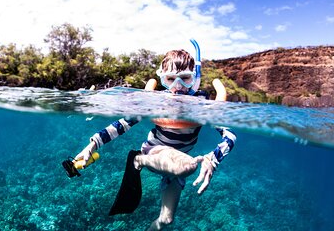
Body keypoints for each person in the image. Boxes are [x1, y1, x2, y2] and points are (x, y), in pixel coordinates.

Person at [73, 49, 237, 230]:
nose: (178, 86)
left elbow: (230, 135)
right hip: (155, 151)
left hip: (179, 161)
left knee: (166, 220)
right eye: (170, 79)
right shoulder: (158, 100)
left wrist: (213, 159)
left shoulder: (203, 103)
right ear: (162, 80)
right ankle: (138, 159)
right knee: (187, 166)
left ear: (195, 78)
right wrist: (93, 143)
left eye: (185, 78)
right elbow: (123, 124)